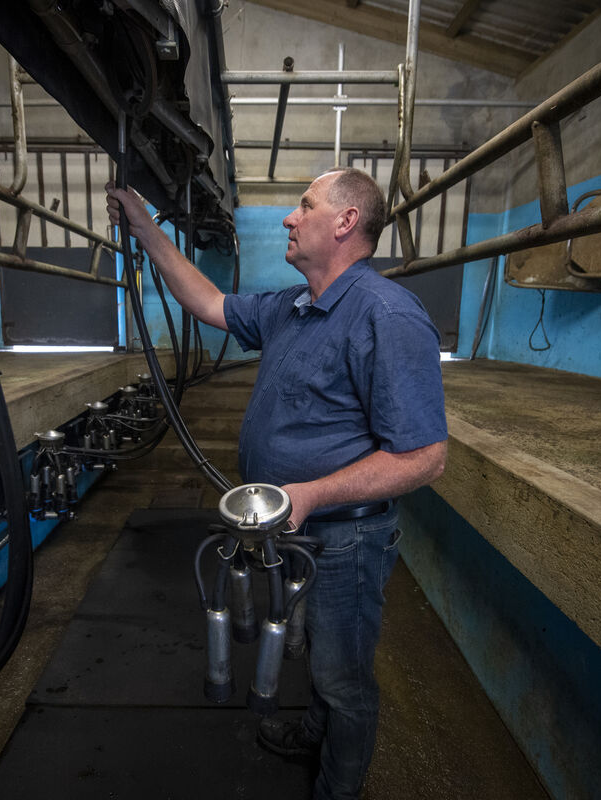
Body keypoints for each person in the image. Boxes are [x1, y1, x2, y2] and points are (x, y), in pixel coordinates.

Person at [107, 167, 448, 800]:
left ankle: (337, 789)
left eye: (305, 205)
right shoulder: (293, 307)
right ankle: (315, 733)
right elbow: (208, 303)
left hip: (344, 538)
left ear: (345, 222)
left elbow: (425, 458)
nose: (290, 218)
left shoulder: (387, 315)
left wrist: (311, 494)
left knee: (344, 679)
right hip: (296, 529)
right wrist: (147, 230)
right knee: (317, 649)